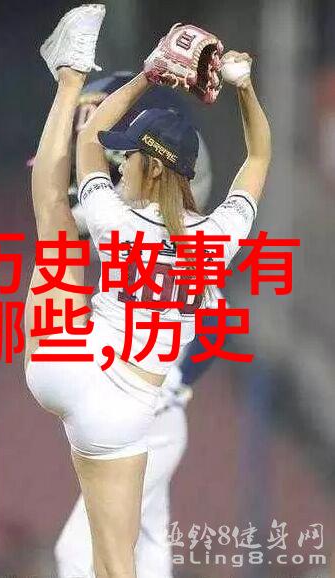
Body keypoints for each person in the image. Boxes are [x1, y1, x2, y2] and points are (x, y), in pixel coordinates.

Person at [25, 5, 271, 578]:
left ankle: (69, 73)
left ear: (147, 166)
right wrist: (245, 89)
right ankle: (71, 71)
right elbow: (259, 156)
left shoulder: (112, 218)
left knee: (53, 216)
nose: (122, 163)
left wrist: (146, 75)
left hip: (64, 358)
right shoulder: (217, 239)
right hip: (124, 409)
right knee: (116, 567)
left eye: (129, 154)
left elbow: (87, 142)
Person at [54, 74, 224, 578]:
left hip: (151, 417)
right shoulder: (134, 228)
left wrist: (179, 380)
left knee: (78, 554)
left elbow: (217, 321)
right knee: (148, 552)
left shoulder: (169, 238)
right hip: (145, 415)